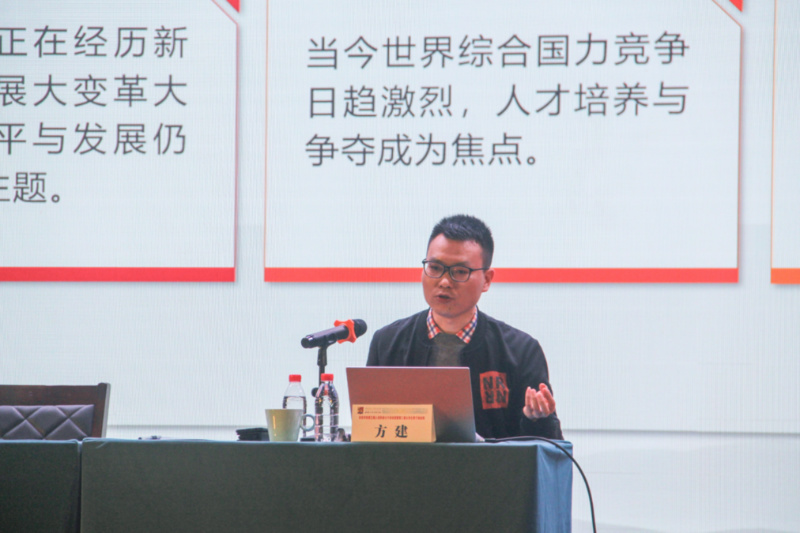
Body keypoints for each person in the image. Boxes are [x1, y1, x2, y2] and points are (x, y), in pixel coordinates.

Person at [367, 214, 563, 440]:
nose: (444, 281)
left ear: (487, 280)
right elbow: (369, 433)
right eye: (435, 267)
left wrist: (537, 420)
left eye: (460, 272)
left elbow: (549, 448)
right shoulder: (387, 343)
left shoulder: (521, 351)